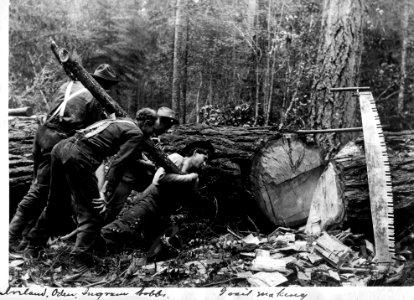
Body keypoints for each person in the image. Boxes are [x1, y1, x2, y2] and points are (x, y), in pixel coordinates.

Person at [24, 108, 159, 271]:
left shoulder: (121, 121)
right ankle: (79, 263)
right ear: (146, 123)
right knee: (92, 212)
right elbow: (119, 162)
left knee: (56, 203)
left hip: (61, 148)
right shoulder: (136, 133)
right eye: (153, 130)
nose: (152, 135)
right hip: (78, 156)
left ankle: (32, 247)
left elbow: (125, 152)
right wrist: (105, 192)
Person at [9, 64, 120, 252]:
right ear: (104, 84)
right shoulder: (95, 99)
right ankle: (12, 236)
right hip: (58, 140)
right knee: (42, 190)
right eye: (108, 85)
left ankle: (27, 238)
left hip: (42, 133)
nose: (108, 90)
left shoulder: (67, 85)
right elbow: (90, 131)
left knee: (39, 186)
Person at [100, 141, 214, 248]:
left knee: (148, 245)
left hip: (162, 212)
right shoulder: (177, 159)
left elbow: (188, 199)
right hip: (149, 201)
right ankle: (91, 247)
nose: (204, 164)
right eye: (204, 158)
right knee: (120, 228)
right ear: (195, 153)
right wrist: (187, 178)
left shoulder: (194, 178)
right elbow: (159, 179)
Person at [102, 107, 180, 223]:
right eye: (166, 126)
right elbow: (123, 156)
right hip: (125, 176)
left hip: (139, 176)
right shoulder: (138, 132)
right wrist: (145, 163)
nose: (167, 130)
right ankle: (94, 232)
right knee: (112, 208)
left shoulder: (153, 137)